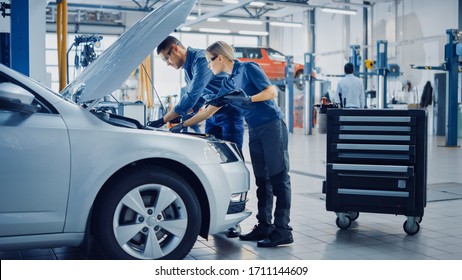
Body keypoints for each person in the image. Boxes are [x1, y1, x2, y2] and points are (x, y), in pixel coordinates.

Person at [171, 41, 293, 248]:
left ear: (219, 57)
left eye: (210, 60)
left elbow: (271, 92)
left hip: (271, 124)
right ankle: (265, 225)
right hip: (254, 128)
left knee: (278, 177)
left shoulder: (248, 68)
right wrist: (179, 124)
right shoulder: (227, 82)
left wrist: (249, 99)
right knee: (262, 180)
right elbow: (209, 110)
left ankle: (283, 230)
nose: (208, 66)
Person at [152, 36, 245, 238]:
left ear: (175, 49)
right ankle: (220, 215)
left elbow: (193, 94)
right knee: (214, 165)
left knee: (232, 167)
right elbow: (198, 98)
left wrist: (164, 119)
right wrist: (183, 116)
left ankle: (234, 221)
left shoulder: (202, 60)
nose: (168, 64)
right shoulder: (188, 67)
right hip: (211, 114)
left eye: (166, 59)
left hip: (229, 113)